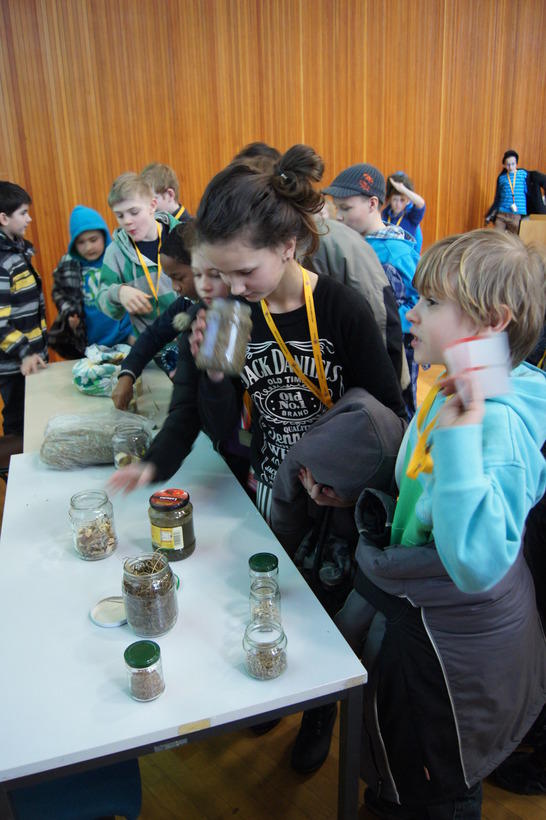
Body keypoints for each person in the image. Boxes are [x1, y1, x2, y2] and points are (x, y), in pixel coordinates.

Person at [188, 144, 406, 775]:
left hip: (337, 498)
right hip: (274, 484)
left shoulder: (341, 307)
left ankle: (320, 710)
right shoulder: (230, 310)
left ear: (287, 246)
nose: (232, 288)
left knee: (330, 612)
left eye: (243, 272)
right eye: (222, 274)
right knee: (274, 592)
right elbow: (223, 428)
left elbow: (386, 415)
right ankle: (278, 687)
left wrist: (350, 488)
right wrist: (212, 375)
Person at [332, 229, 546, 819]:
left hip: (452, 641)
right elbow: (421, 491)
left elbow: (476, 563)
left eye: (430, 302)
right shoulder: (449, 390)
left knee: (435, 788)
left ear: (493, 321)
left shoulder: (494, 425)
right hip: (420, 615)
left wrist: (457, 444)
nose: (411, 311)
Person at [108, 244, 251, 492]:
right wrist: (153, 463)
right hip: (238, 458)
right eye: (198, 274)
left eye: (215, 275)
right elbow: (189, 409)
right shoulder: (199, 325)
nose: (204, 286)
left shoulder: (261, 314)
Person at [323, 163, 420, 416]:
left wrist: (393, 321)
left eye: (346, 208)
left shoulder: (396, 252)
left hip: (399, 347)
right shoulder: (351, 245)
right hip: (368, 342)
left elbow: (420, 299)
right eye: (336, 208)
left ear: (372, 204)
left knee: (399, 405)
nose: (339, 216)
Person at [95, 172, 179, 371]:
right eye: (120, 215)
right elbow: (101, 298)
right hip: (152, 355)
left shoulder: (182, 235)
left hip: (193, 344)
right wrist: (119, 293)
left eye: (134, 212)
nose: (127, 221)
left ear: (152, 205)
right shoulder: (115, 253)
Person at [111, 223, 197, 410]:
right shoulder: (186, 303)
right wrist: (128, 374)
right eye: (170, 278)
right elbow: (153, 335)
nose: (175, 287)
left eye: (179, 277)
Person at [49, 205, 132, 359]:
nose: (88, 247)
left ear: (104, 236)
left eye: (93, 240)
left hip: (123, 340)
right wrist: (69, 314)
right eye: (81, 242)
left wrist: (133, 333)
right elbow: (59, 293)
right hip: (89, 343)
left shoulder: (119, 258)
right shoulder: (68, 265)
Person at [0, 181, 48, 437]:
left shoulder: (17, 252)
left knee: (37, 421)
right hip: (16, 366)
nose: (29, 219)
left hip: (30, 359)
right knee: (19, 426)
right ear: (4, 218)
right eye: (23, 213)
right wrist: (24, 352)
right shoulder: (2, 262)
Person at [485, 149, 528, 233]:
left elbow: (529, 191)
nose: (511, 167)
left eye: (513, 164)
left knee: (514, 238)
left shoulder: (523, 174)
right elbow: (498, 197)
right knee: (497, 235)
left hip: (516, 214)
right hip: (502, 213)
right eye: (508, 164)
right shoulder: (502, 178)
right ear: (504, 165)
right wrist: (491, 213)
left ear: (516, 163)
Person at [382, 171, 426, 253]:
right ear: (390, 199)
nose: (398, 204)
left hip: (405, 257)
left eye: (402, 200)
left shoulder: (412, 217)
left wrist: (403, 189)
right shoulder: (384, 214)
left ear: (408, 200)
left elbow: (421, 203)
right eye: (395, 199)